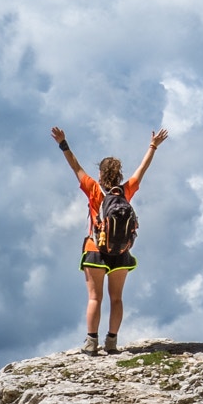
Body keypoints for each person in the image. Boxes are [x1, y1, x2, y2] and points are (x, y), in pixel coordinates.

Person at [53, 125, 166, 354]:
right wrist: (153, 146)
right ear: (119, 174)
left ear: (101, 174)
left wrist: (63, 143)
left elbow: (75, 166)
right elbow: (142, 169)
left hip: (95, 249)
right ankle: (112, 342)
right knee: (117, 299)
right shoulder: (126, 191)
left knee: (95, 298)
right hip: (121, 252)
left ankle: (91, 342)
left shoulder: (93, 189)